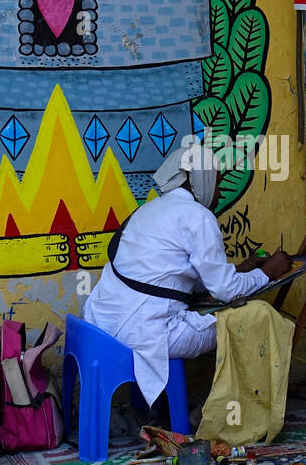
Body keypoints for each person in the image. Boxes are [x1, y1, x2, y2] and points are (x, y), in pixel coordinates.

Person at [82, 137, 292, 406]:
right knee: (248, 321)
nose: (218, 194)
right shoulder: (198, 217)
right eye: (216, 184)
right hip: (143, 333)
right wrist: (268, 273)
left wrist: (239, 270)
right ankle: (224, 412)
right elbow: (225, 291)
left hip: (102, 325)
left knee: (210, 315)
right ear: (200, 180)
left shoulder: (148, 210)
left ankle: (183, 407)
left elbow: (164, 276)